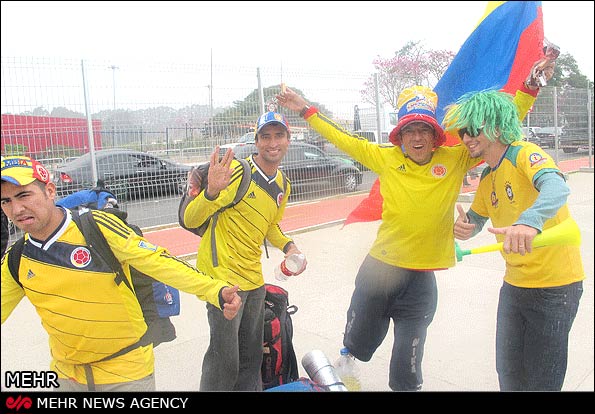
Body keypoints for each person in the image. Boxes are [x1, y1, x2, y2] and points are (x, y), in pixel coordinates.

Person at [277, 85, 484, 391]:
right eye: (409, 130)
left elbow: (498, 133)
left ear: (434, 135)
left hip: (421, 277)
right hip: (380, 270)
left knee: (409, 358)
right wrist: (304, 107)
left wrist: (531, 86)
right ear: (400, 136)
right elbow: (341, 138)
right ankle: (347, 361)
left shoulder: (454, 159)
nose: (417, 137)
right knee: (359, 338)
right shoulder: (384, 158)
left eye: (424, 129)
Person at [1, 155, 242, 392]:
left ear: (50, 191)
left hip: (126, 373)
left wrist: (215, 290)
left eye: (24, 195)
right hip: (67, 377)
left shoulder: (95, 227)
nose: (17, 209)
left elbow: (159, 262)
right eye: (6, 201)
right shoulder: (17, 257)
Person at [446, 90, 585, 391]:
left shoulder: (524, 153)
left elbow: (556, 187)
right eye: (463, 132)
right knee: (508, 374)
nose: (467, 138)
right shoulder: (487, 176)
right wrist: (465, 226)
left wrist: (528, 221)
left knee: (542, 381)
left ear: (496, 124)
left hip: (556, 287)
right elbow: (478, 218)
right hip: (515, 286)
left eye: (474, 129)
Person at [182, 111, 307, 391]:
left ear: (288, 140)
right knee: (224, 361)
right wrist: (211, 192)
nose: (272, 143)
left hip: (254, 280)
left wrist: (290, 247)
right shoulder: (239, 171)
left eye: (278, 135)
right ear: (256, 142)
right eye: (265, 137)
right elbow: (191, 219)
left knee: (251, 360)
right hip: (223, 279)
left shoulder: (283, 185)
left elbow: (271, 226)